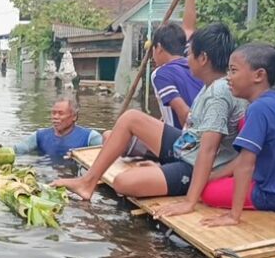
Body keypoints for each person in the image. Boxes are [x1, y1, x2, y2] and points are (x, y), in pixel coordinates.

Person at [52, 23, 247, 208]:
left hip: (197, 164)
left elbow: (209, 150)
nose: (186, 59)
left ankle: (93, 182)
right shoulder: (211, 86)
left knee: (123, 182)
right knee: (131, 118)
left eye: (190, 54)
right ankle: (87, 182)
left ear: (203, 58)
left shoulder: (219, 94)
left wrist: (189, 201)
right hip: (188, 146)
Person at [195, 43, 275, 227]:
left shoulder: (259, 109)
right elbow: (244, 159)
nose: (228, 78)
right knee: (242, 127)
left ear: (259, 75)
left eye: (233, 71)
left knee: (207, 192)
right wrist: (214, 175)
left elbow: (245, 166)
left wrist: (234, 216)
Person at [104, 0, 202, 156]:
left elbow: (184, 113)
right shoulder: (194, 60)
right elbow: (189, 26)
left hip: (183, 144)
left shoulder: (161, 72)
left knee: (110, 136)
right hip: (194, 136)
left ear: (158, 48)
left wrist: (187, 153)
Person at [14, 96, 103, 159]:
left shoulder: (90, 137)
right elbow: (19, 149)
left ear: (74, 116)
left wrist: (82, 156)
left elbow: (106, 156)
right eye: (53, 113)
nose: (55, 117)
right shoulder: (40, 135)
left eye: (61, 113)